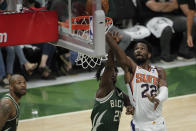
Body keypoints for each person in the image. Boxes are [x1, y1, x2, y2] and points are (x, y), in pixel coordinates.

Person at [106, 32, 168, 131]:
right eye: (136, 49)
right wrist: (110, 39)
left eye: (142, 49)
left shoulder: (159, 71)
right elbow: (120, 56)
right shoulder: (131, 69)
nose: (138, 50)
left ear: (149, 54)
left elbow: (164, 90)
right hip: (141, 125)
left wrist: (158, 99)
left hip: (159, 122)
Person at [90, 34, 134, 131]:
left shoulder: (119, 93)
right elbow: (109, 66)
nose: (113, 73)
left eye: (115, 71)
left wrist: (129, 106)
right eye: (111, 72)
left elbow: (128, 101)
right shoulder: (104, 88)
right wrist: (112, 46)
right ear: (103, 77)